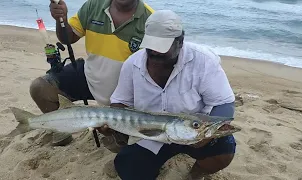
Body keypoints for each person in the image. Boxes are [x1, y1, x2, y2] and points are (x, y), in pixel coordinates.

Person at [98, 9, 237, 180]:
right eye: (151, 46)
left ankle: (195, 174)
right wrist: (112, 124)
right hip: (152, 134)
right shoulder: (132, 64)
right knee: (128, 167)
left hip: (194, 131)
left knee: (224, 151)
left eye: (162, 48)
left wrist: (205, 137)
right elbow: (120, 103)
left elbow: (224, 104)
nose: (155, 52)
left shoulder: (204, 61)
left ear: (180, 41)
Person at [29, 0, 154, 146]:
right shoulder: (93, 6)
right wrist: (60, 19)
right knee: (40, 88)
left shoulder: (150, 20)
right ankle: (62, 133)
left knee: (123, 149)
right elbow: (68, 38)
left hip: (125, 94)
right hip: (90, 76)